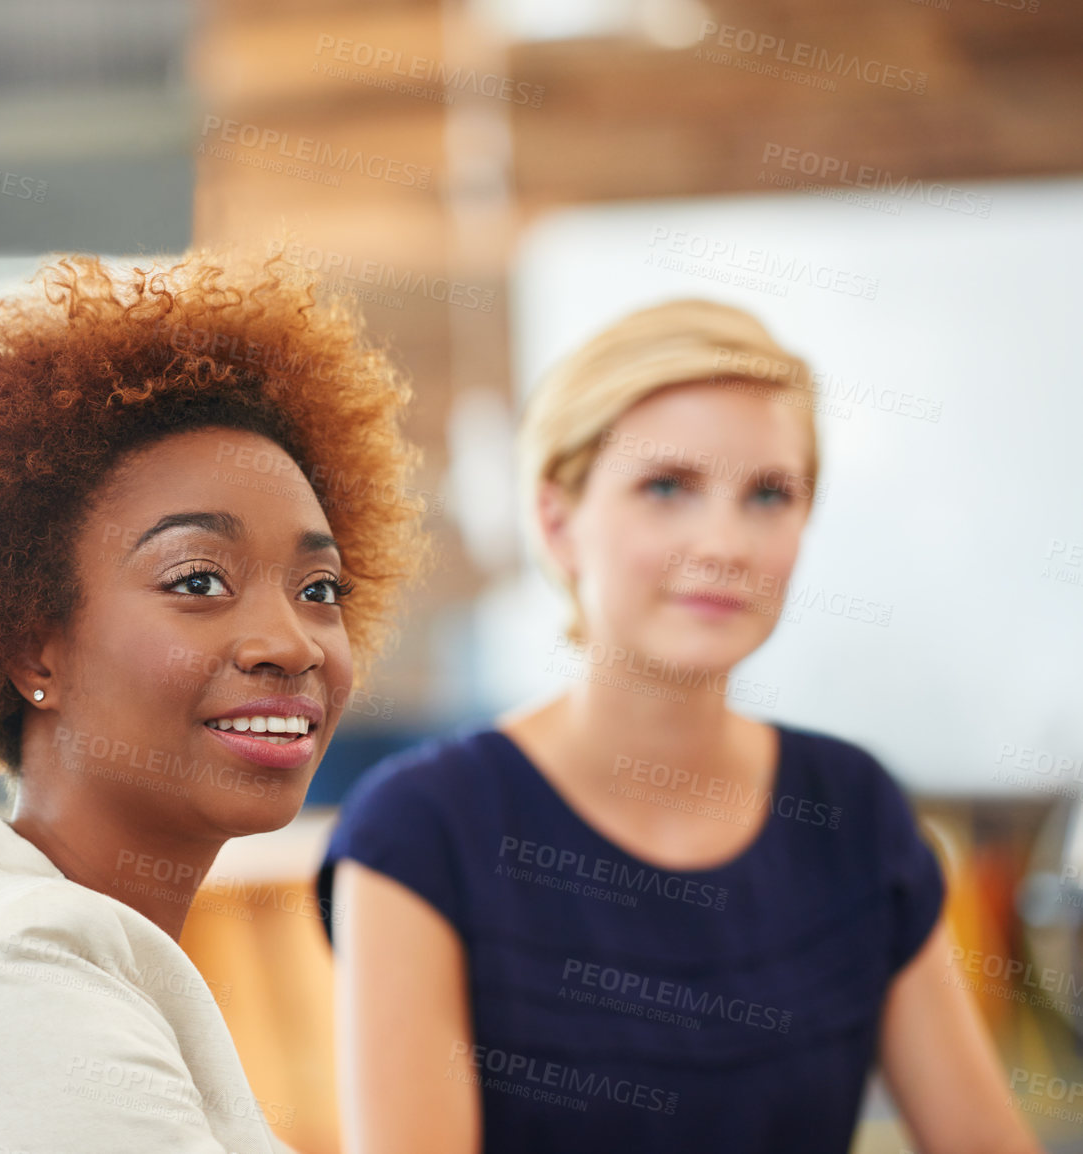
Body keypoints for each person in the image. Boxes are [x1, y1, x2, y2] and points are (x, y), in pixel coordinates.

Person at [317, 299, 1042, 1153]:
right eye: (667, 487)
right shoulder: (422, 831)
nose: (725, 542)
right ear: (557, 521)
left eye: (769, 494)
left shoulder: (851, 812)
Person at [0, 249, 429, 1153]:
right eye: (199, 579)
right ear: (32, 644)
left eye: (320, 589)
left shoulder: (61, 942)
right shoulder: (16, 975)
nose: (291, 643)